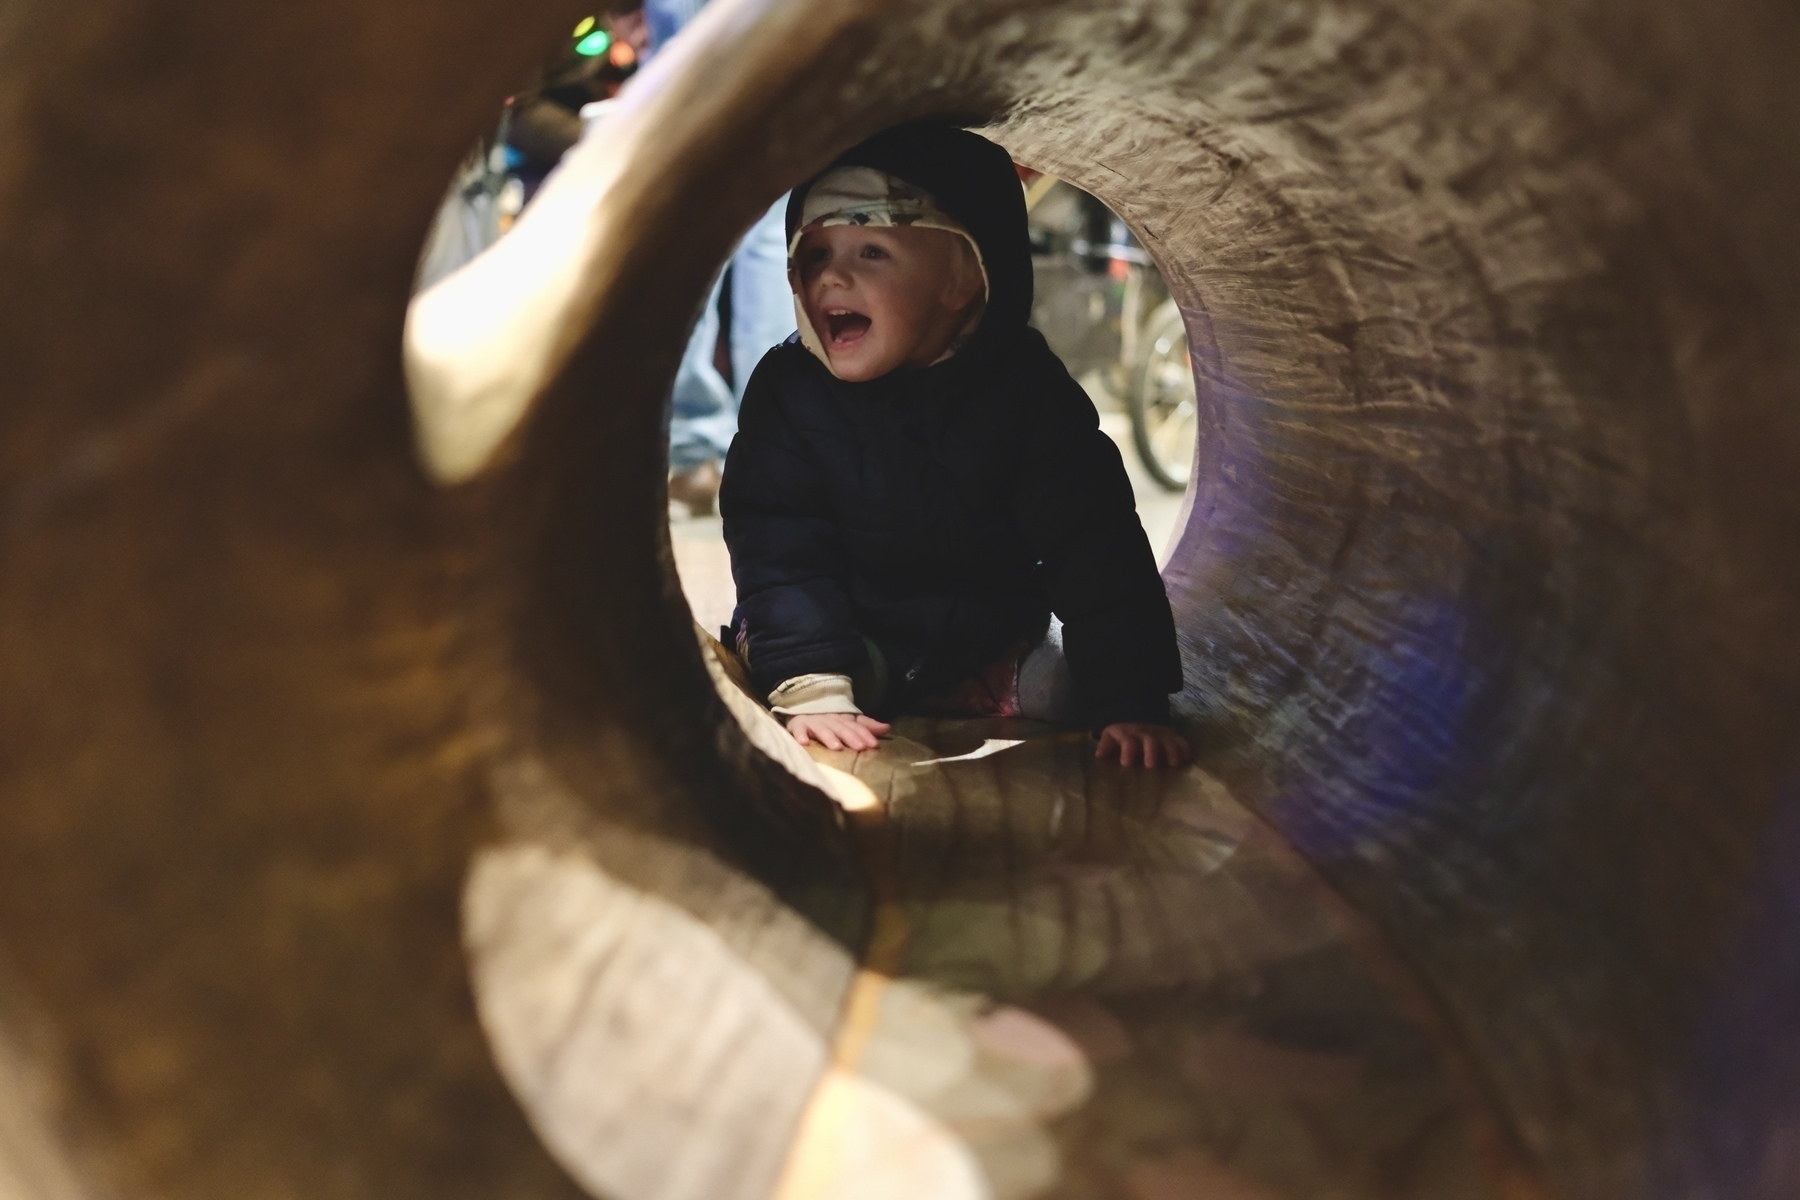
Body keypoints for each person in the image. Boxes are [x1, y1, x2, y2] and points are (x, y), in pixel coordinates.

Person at [720, 122, 1189, 768]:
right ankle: (831, 678)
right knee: (795, 666)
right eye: (816, 255)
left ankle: (982, 683)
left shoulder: (1024, 391)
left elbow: (1093, 542)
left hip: (980, 635)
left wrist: (1131, 697)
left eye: (871, 253)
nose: (833, 279)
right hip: (853, 632)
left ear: (960, 282)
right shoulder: (791, 392)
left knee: (1080, 690)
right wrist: (815, 681)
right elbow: (776, 538)